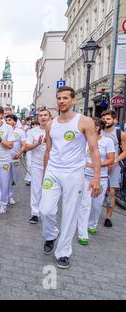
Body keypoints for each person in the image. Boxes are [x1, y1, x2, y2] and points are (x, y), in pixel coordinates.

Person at [40, 86, 101, 269]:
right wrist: (45, 173)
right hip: (53, 171)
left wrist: (96, 177)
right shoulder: (51, 124)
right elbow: (49, 150)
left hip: (74, 173)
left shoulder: (85, 121)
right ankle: (51, 235)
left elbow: (94, 150)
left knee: (69, 213)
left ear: (73, 100)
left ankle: (63, 252)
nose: (61, 101)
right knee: (46, 210)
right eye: (59, 98)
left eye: (65, 98)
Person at [76, 118, 115, 245]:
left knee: (97, 205)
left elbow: (111, 160)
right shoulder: (84, 140)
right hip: (85, 176)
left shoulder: (107, 141)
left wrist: (95, 164)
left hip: (101, 178)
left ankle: (92, 225)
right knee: (85, 205)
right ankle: (82, 232)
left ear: (98, 128)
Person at [25, 108, 51, 224]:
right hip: (37, 164)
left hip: (52, 165)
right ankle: (35, 213)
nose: (43, 117)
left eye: (45, 115)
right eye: (40, 115)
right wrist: (38, 143)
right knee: (36, 189)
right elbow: (27, 147)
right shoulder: (32, 132)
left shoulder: (55, 130)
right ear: (38, 118)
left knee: (48, 189)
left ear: (50, 117)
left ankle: (46, 212)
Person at [100, 110, 126, 228]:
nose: (105, 121)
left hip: (113, 167)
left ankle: (108, 217)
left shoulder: (120, 134)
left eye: (108, 118)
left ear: (115, 120)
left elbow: (125, 151)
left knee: (111, 192)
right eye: (104, 118)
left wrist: (114, 161)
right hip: (98, 166)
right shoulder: (98, 131)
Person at [4, 114, 26, 205]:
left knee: (14, 179)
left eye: (9, 120)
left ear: (15, 122)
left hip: (15, 159)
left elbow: (24, 144)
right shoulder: (3, 130)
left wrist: (20, 153)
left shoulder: (20, 132)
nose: (7, 121)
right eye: (6, 120)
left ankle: (10, 196)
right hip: (4, 159)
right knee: (4, 179)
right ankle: (3, 198)